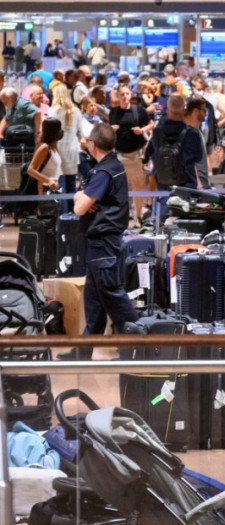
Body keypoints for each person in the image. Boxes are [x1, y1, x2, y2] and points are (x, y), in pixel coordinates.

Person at [59, 123, 138, 360]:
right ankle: (83, 352)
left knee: (111, 293)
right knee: (94, 300)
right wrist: (80, 195)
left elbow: (80, 207)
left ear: (92, 145)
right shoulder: (113, 166)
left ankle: (140, 342)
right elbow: (81, 199)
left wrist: (79, 197)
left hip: (103, 241)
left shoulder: (104, 171)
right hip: (101, 243)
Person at [110, 84, 154, 226]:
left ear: (131, 94)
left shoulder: (138, 110)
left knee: (137, 186)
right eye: (122, 94)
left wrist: (142, 131)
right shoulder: (114, 112)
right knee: (120, 186)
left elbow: (151, 124)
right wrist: (111, 129)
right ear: (118, 96)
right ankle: (125, 215)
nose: (125, 96)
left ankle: (138, 215)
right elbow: (108, 129)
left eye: (127, 93)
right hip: (119, 155)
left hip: (135, 154)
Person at [48, 84, 81, 213]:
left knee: (61, 186)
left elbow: (50, 131)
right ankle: (74, 216)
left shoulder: (53, 110)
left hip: (58, 150)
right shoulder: (75, 110)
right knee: (72, 185)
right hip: (72, 150)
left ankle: (64, 218)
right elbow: (79, 130)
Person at [25, 118, 62, 194]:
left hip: (54, 188)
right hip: (45, 190)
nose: (61, 131)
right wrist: (48, 180)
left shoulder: (53, 147)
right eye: (59, 128)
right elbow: (30, 169)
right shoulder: (44, 148)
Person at [184, 97, 210, 189]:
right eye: (203, 110)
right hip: (196, 183)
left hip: (201, 180)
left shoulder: (197, 131)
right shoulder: (189, 133)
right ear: (195, 111)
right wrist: (199, 184)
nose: (205, 114)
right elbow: (190, 161)